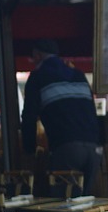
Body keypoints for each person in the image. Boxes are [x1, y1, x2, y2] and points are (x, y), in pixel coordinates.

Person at [20, 40, 102, 192]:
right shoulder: (78, 75)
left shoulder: (38, 77)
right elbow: (91, 110)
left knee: (65, 204)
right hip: (93, 148)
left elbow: (29, 117)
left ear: (37, 55)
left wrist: (29, 150)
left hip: (66, 147)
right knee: (86, 206)